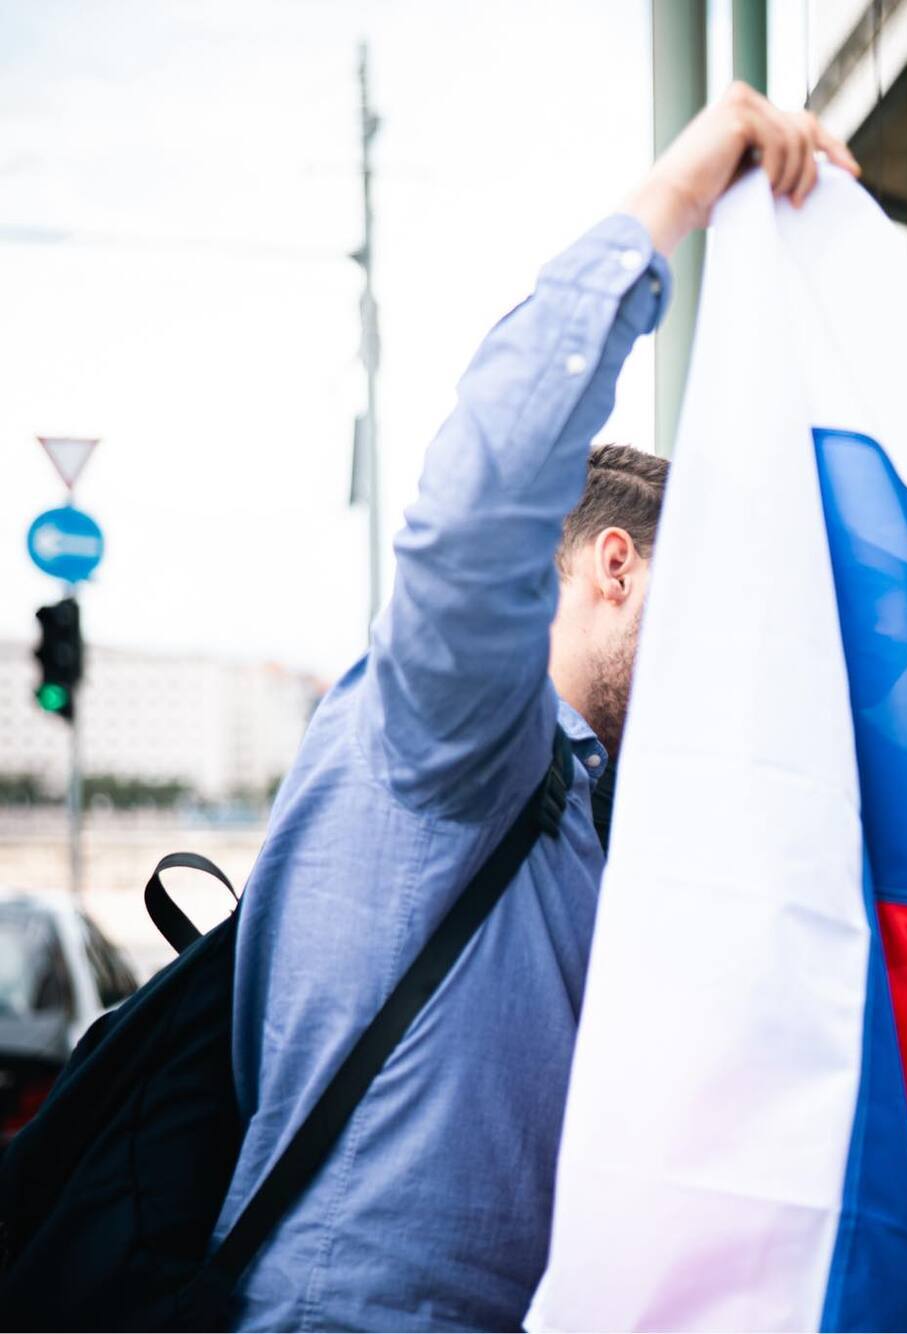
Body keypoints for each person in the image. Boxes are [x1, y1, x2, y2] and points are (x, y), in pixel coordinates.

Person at [212, 85, 858, 1330]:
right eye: (707, 593)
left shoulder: (605, 800)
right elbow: (471, 515)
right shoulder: (459, 735)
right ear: (614, 564)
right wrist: (674, 196)